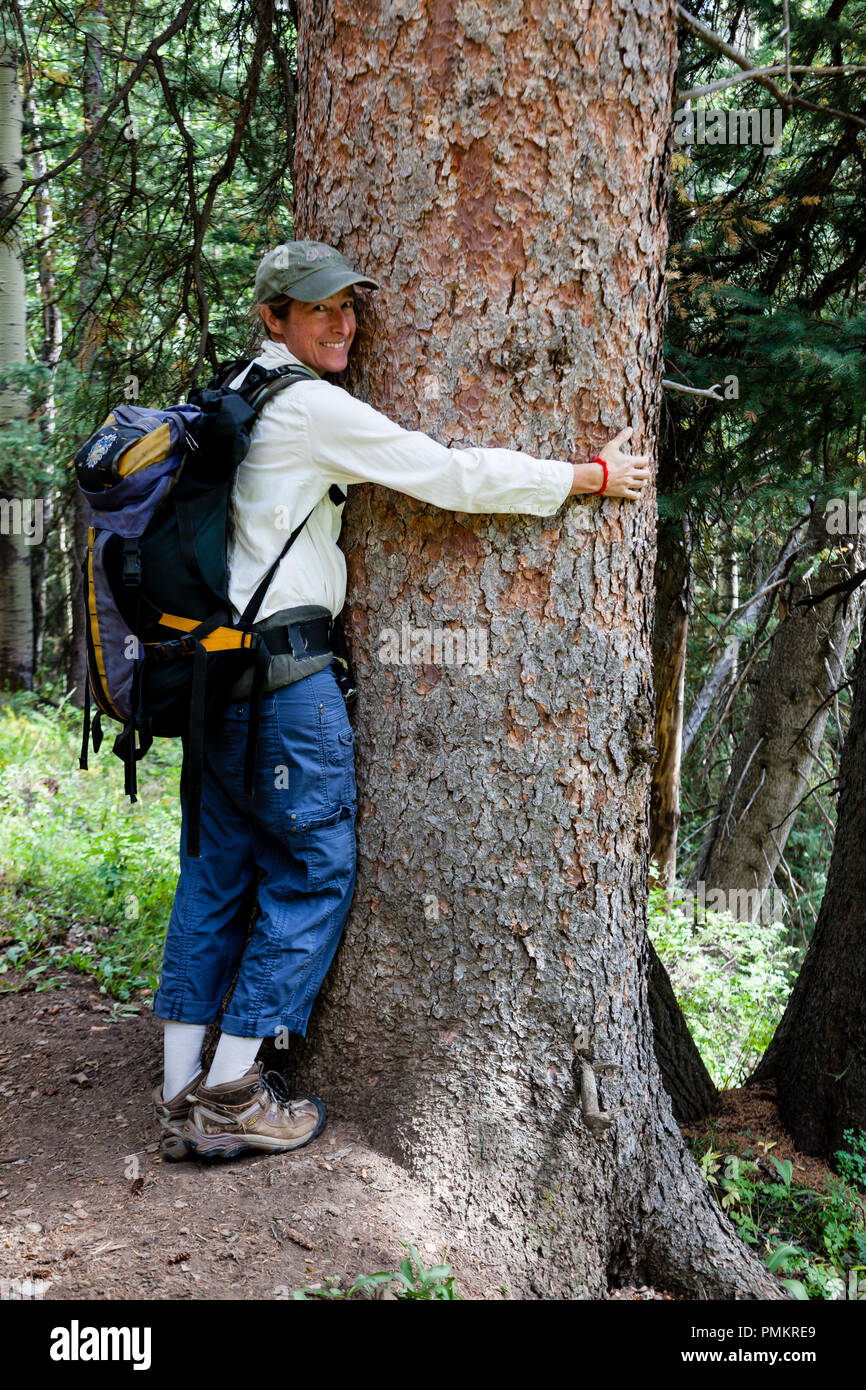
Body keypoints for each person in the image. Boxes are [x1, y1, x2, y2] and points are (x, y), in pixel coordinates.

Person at [151, 241, 650, 1161]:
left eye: (348, 307)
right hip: (289, 688)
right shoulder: (307, 408)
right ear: (273, 318)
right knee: (311, 873)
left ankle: (182, 1083)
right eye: (317, 311)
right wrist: (583, 478)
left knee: (217, 876)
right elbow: (444, 473)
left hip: (215, 685)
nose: (341, 324)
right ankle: (229, 1096)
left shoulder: (237, 392)